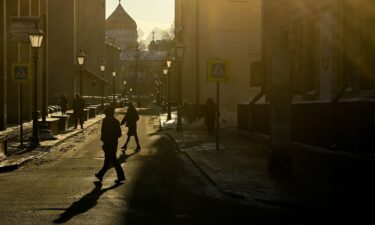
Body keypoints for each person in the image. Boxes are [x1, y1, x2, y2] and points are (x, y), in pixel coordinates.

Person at [95, 107, 125, 183]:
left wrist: (105, 139)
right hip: (113, 143)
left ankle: (121, 176)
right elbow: (119, 134)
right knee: (108, 160)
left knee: (112, 160)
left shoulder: (105, 121)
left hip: (108, 143)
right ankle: (100, 174)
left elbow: (103, 132)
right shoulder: (115, 121)